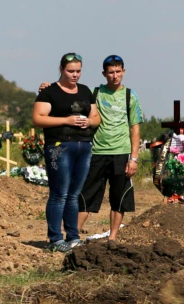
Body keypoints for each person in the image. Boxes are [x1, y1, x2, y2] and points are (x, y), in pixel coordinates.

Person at [33, 52, 100, 253]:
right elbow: (38, 118)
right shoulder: (49, 93)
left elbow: (96, 117)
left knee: (74, 194)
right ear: (61, 69)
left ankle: (73, 237)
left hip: (84, 146)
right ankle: (55, 239)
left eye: (78, 71)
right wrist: (66, 120)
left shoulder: (86, 91)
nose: (75, 75)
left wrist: (89, 121)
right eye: (71, 71)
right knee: (59, 193)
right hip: (59, 147)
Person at [78, 55, 143, 242]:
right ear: (104, 73)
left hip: (121, 153)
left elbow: (135, 128)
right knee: (86, 196)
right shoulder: (95, 93)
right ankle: (73, 235)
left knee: (118, 198)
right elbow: (71, 97)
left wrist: (134, 158)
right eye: (111, 72)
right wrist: (48, 88)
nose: (115, 76)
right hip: (97, 152)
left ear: (123, 71)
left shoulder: (130, 96)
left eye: (118, 71)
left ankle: (112, 238)